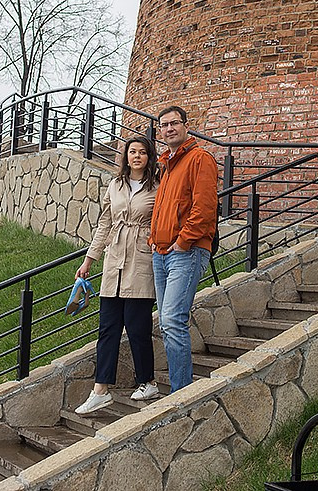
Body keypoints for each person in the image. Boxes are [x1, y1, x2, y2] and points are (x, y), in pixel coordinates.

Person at [74, 137, 161, 415]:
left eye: (142, 152)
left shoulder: (157, 187)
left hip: (141, 260)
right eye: (132, 152)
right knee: (108, 329)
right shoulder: (115, 185)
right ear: (125, 156)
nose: (136, 156)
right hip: (114, 262)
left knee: (137, 329)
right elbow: (105, 224)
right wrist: (89, 260)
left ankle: (147, 381)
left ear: (149, 157)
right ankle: (100, 390)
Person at [148, 106, 219, 393]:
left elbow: (204, 208)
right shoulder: (167, 165)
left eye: (174, 123)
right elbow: (163, 209)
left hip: (185, 252)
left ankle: (181, 392)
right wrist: (153, 238)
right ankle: (180, 388)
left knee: (172, 320)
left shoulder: (200, 159)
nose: (168, 129)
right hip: (161, 253)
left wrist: (183, 241)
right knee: (168, 323)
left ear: (187, 126)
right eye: (163, 125)